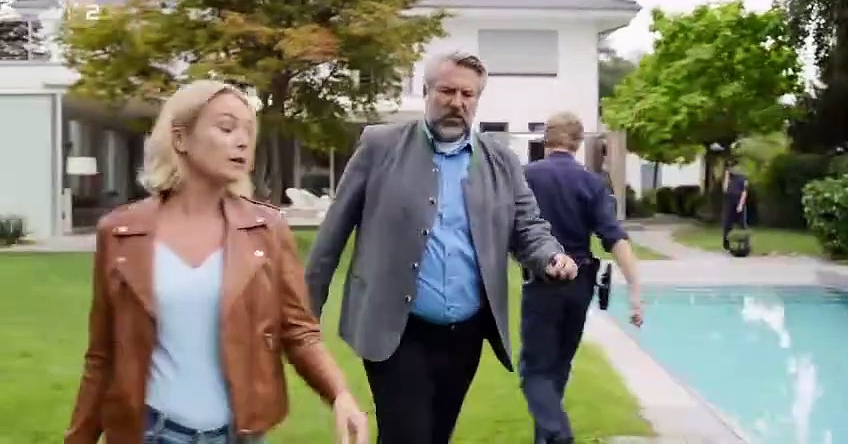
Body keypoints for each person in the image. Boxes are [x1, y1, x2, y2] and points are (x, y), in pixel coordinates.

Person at [64, 80, 368, 444]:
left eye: (248, 132)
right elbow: (102, 356)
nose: (242, 141)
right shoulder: (120, 233)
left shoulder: (267, 229)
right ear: (180, 139)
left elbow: (299, 331)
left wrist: (340, 395)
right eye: (226, 128)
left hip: (240, 435)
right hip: (153, 433)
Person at [305, 51, 578, 444]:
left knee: (436, 435)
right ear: (427, 91)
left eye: (468, 94)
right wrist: (305, 317)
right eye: (447, 91)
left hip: (465, 334)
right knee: (408, 436)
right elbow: (332, 233)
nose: (457, 102)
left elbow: (528, 226)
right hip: (395, 329)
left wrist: (551, 256)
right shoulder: (380, 146)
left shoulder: (501, 161)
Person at [520, 112, 644, 444]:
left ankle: (558, 434)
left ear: (546, 139)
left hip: (542, 282)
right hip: (581, 284)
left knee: (534, 372)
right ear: (577, 143)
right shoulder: (591, 182)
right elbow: (614, 237)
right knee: (558, 366)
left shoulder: (526, 177)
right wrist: (635, 290)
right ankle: (548, 438)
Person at [722, 160, 749, 250]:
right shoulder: (730, 177)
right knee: (727, 223)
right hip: (729, 201)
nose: (732, 169)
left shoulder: (743, 178)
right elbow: (725, 189)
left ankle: (745, 244)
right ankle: (726, 243)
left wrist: (740, 205)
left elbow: (744, 192)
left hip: (739, 200)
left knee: (742, 224)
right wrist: (726, 176)